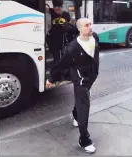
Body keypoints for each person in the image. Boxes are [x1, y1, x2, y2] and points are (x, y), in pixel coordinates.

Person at [46, 18, 100, 154]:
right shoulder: (73, 48)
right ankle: (84, 140)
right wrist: (51, 78)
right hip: (80, 80)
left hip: (91, 77)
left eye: (90, 24)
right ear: (80, 29)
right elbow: (61, 64)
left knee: (82, 101)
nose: (90, 27)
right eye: (86, 25)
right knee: (84, 107)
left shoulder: (95, 37)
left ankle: (75, 115)